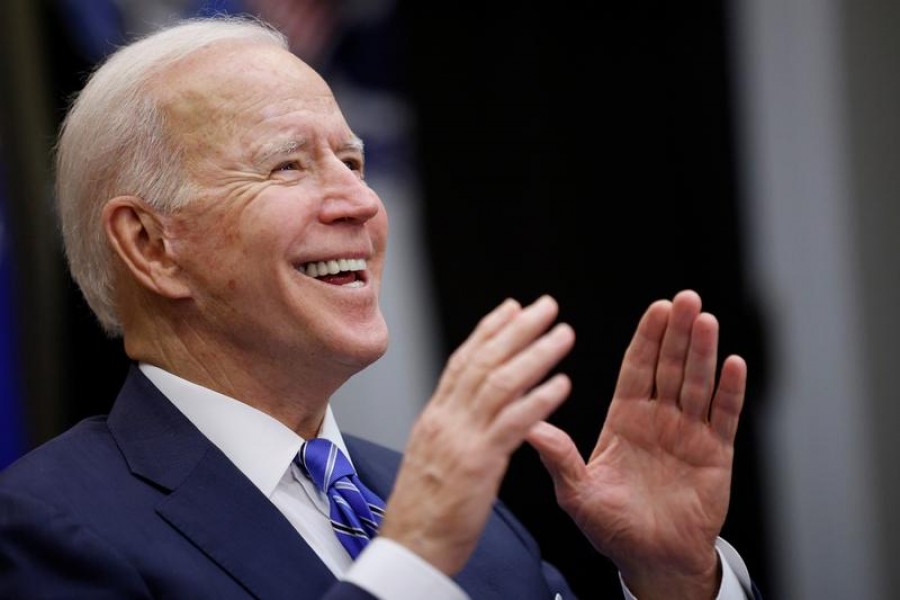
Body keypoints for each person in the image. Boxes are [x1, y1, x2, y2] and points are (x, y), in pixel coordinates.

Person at [0, 15, 761, 599]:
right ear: (151, 244)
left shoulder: (457, 509)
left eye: (355, 161)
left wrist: (672, 581)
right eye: (287, 165)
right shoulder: (44, 528)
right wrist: (412, 561)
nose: (361, 201)